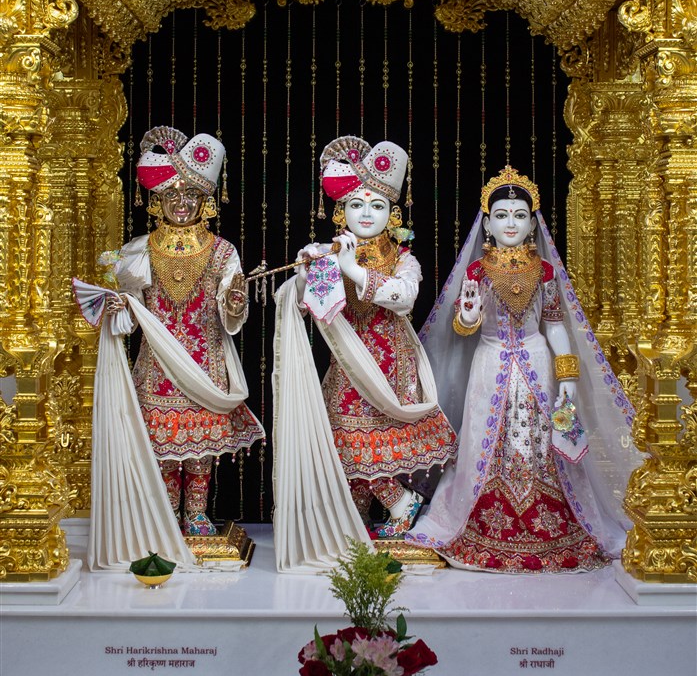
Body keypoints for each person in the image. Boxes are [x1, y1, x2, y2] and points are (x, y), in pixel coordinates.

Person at [407, 165, 641, 573]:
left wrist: (567, 376)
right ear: (487, 224)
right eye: (501, 215)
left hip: (536, 361)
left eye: (519, 215)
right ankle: (483, 522)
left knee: (542, 439)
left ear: (533, 224)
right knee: (485, 439)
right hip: (490, 362)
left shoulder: (544, 271)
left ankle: (551, 522)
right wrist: (468, 314)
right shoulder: (477, 271)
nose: (510, 223)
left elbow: (554, 325)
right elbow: (464, 327)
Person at [77, 126, 263, 569]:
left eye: (191, 195)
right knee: (161, 448)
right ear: (156, 200)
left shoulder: (223, 252)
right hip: (156, 367)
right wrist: (119, 305)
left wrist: (235, 301)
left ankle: (196, 514)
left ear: (206, 201)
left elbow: (231, 310)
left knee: (198, 449)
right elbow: (131, 314)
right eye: (172, 195)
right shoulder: (137, 251)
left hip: (205, 365)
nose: (181, 204)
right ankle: (164, 517)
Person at [273, 135, 456, 572]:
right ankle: (357, 519)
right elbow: (310, 307)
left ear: (393, 213)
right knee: (343, 441)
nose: (367, 214)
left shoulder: (404, 260)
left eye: (377, 205)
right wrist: (307, 274)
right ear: (341, 212)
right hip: (347, 365)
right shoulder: (329, 254)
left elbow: (404, 297)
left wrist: (353, 269)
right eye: (356, 205)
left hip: (391, 367)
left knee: (371, 443)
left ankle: (400, 503)